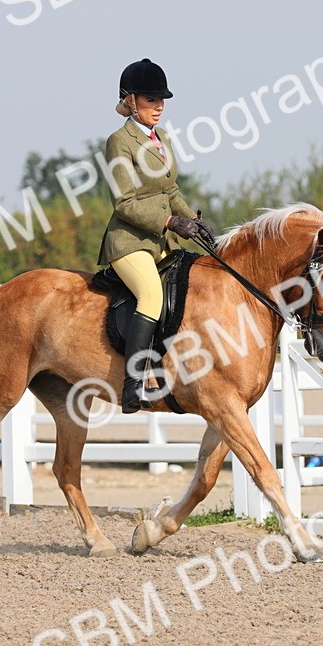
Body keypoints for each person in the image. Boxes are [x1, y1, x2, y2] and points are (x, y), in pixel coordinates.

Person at [98, 58, 215, 413]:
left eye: (162, 100)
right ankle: (133, 383)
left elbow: (170, 189)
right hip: (130, 242)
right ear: (131, 101)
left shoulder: (161, 137)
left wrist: (191, 219)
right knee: (150, 294)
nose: (159, 107)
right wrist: (168, 222)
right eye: (151, 100)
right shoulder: (119, 142)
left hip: (163, 243)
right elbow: (124, 203)